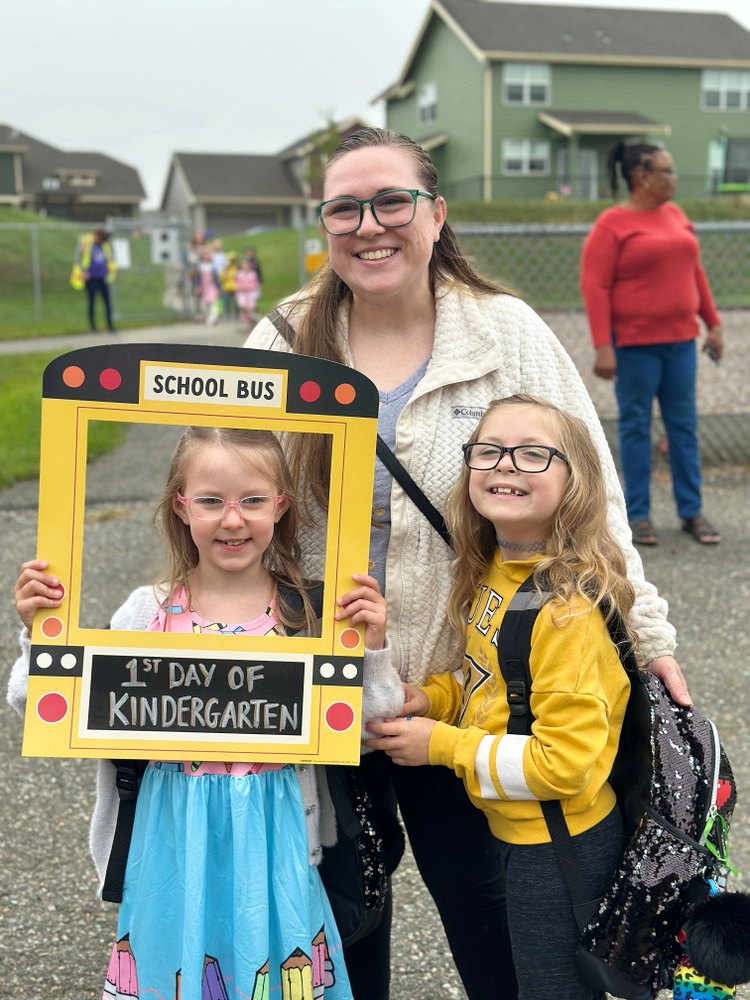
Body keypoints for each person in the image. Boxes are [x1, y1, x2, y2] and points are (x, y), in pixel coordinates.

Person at [243, 126, 690, 1000]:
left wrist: (646, 633)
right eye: (345, 207)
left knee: (499, 932)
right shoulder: (283, 339)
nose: (369, 225)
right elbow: (223, 493)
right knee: (334, 926)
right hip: (318, 687)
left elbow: (593, 495)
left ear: (435, 214)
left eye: (392, 201)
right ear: (323, 223)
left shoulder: (503, 334)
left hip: (465, 687)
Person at [8, 426, 405, 1000]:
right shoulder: (147, 612)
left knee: (278, 979)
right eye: (211, 500)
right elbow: (40, 705)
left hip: (279, 841)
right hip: (173, 843)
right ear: (181, 505)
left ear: (281, 504)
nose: (233, 519)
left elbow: (374, 723)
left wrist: (369, 649)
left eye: (252, 500)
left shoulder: (310, 614)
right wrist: (37, 635)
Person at [366, 394, 634, 1000]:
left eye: (533, 454)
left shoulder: (565, 612)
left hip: (562, 848)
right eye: (488, 451)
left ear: (577, 483)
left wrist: (442, 745)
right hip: (521, 834)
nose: (506, 464)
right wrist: (433, 700)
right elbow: (489, 683)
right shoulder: (500, 574)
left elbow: (563, 764)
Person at [580, 141, 723, 547]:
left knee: (684, 427)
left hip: (680, 345)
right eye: (667, 171)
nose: (674, 178)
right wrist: (602, 345)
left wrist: (712, 323)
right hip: (635, 348)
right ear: (642, 176)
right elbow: (595, 286)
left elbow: (696, 273)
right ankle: (637, 516)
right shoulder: (612, 225)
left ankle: (691, 511)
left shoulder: (676, 215)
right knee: (636, 429)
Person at [76, 227, 117, 332]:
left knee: (107, 303)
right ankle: (93, 327)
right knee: (92, 303)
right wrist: (83, 272)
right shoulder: (87, 245)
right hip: (91, 279)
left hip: (103, 278)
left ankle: (110, 326)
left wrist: (110, 266)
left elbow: (110, 259)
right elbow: (78, 258)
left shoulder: (105, 246)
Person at [235, 256, 261, 326]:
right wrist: (241, 287)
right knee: (242, 304)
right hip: (242, 292)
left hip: (250, 292)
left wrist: (249, 287)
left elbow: (256, 283)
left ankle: (250, 319)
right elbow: (236, 283)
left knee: (250, 306)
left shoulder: (253, 273)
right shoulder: (239, 273)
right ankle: (247, 316)